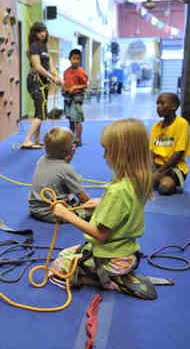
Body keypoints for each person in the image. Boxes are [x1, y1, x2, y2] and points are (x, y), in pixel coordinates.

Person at [47, 119, 156, 299]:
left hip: (112, 259)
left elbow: (100, 234)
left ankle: (103, 280)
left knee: (57, 267)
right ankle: (111, 274)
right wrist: (101, 203)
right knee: (69, 253)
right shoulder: (138, 180)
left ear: (122, 154)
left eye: (107, 150)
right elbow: (127, 207)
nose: (104, 156)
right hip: (128, 253)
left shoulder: (117, 191)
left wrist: (67, 215)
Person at [29, 127, 92, 223]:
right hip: (52, 213)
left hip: (35, 208)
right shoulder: (66, 169)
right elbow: (84, 198)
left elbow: (58, 172)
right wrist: (95, 207)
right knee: (91, 212)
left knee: (66, 190)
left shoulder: (41, 160)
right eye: (73, 144)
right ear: (71, 149)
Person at [21, 22, 65, 149]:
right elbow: (37, 67)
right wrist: (52, 78)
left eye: (44, 31)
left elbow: (50, 65)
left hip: (43, 81)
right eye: (39, 31)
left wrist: (57, 76)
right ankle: (27, 140)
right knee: (40, 112)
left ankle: (36, 139)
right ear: (34, 33)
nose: (42, 34)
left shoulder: (44, 47)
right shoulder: (34, 46)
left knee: (41, 111)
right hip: (35, 81)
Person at [150, 92, 190, 195]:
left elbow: (179, 153)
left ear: (174, 106)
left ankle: (160, 181)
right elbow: (151, 152)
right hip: (157, 165)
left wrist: (159, 172)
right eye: (157, 104)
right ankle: (154, 180)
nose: (158, 107)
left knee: (165, 187)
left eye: (162, 103)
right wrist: (150, 168)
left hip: (174, 167)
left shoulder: (182, 124)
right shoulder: (155, 127)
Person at [62, 48, 88, 146]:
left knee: (77, 119)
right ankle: (71, 138)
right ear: (70, 59)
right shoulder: (66, 72)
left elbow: (85, 85)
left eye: (78, 59)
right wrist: (64, 89)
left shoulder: (81, 72)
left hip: (77, 97)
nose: (76, 61)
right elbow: (65, 84)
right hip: (68, 97)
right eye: (74, 58)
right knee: (71, 119)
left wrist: (76, 87)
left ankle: (78, 139)